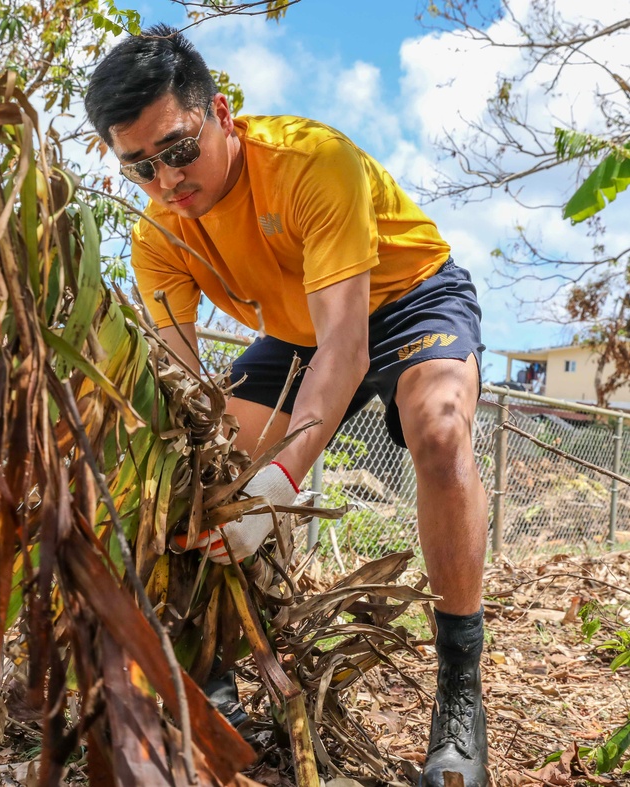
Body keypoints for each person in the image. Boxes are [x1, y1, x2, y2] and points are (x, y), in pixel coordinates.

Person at [85, 25, 489, 787]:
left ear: (223, 115)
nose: (167, 181)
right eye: (140, 167)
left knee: (438, 433)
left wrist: (282, 483)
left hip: (405, 299)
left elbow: (347, 343)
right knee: (194, 465)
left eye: (178, 149)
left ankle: (460, 694)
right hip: (297, 329)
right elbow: (183, 397)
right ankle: (212, 676)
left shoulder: (311, 162)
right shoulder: (158, 238)